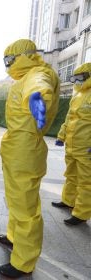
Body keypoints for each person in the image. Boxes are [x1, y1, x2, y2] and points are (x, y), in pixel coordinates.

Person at [0, 39, 60, 278]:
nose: (8, 65)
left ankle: (23, 262)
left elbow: (39, 85)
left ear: (23, 56)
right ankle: (14, 239)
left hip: (25, 149)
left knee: (25, 207)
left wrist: (37, 98)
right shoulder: (24, 77)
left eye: (10, 59)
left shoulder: (37, 73)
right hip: (17, 149)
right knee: (16, 200)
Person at [52, 62, 91, 226]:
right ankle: (68, 201)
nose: (77, 81)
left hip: (87, 147)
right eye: (75, 78)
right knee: (71, 175)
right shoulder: (77, 95)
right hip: (73, 145)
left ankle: (81, 213)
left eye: (80, 77)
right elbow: (69, 118)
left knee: (86, 181)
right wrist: (61, 136)